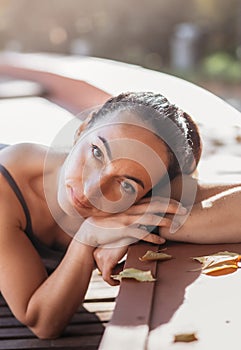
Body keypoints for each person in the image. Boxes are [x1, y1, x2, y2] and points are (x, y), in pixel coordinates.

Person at [0, 91, 239, 340]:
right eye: (97, 153)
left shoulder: (146, 183)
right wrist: (85, 240)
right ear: (82, 130)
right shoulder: (7, 186)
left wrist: (144, 223)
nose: (91, 189)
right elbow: (40, 322)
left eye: (126, 184)